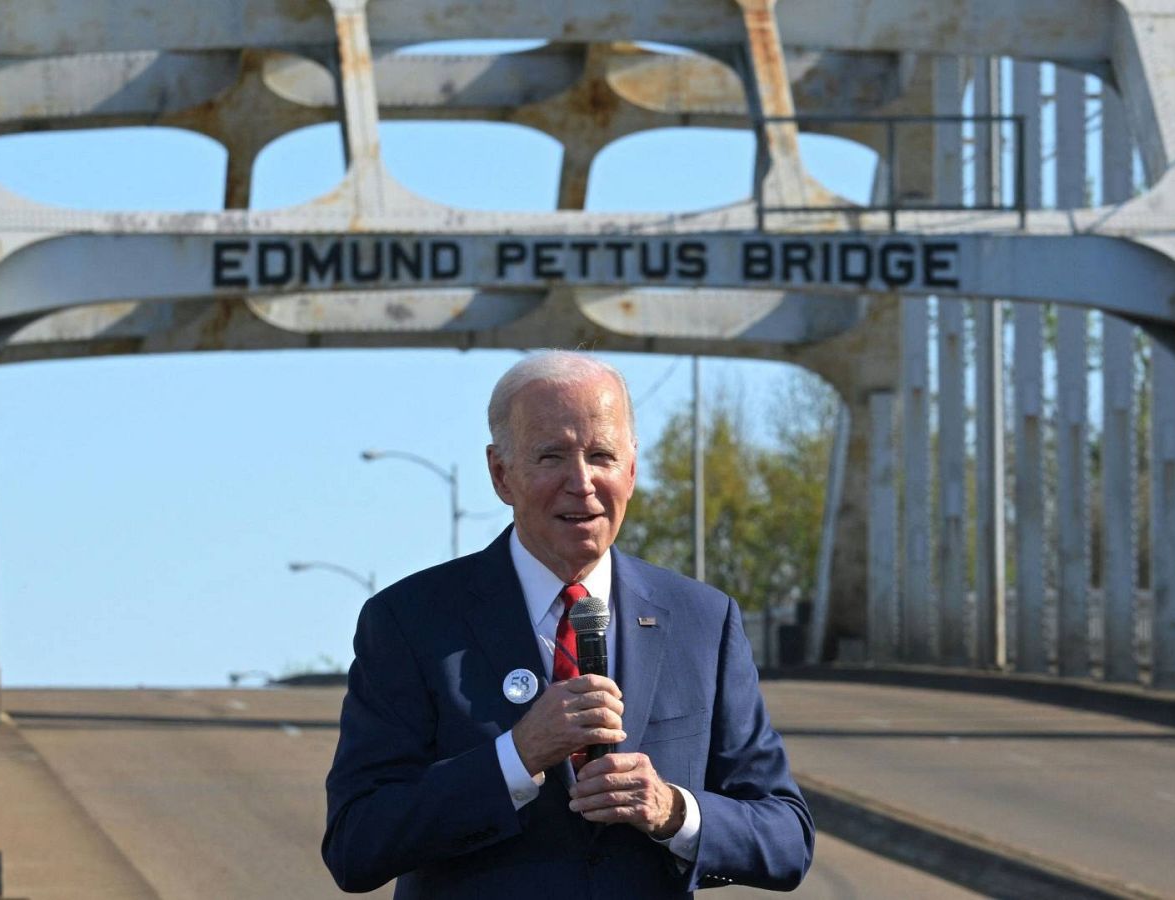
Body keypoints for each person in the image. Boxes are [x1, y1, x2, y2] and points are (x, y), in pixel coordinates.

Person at [323, 352, 813, 897]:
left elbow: (786, 838)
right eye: (551, 456)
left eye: (601, 455)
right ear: (500, 474)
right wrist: (516, 756)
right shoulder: (410, 621)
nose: (580, 482)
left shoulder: (704, 621)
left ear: (631, 470)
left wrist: (673, 810)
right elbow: (356, 844)